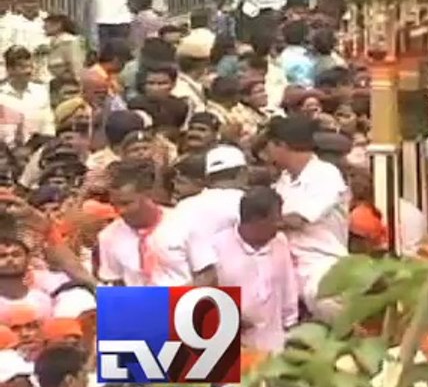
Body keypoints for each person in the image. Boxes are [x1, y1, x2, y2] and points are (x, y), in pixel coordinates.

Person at [267, 115, 348, 319]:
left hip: (321, 263)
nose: (266, 153)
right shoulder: (284, 179)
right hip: (285, 265)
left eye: (269, 146)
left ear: (281, 146)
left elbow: (298, 220)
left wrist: (260, 222)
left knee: (327, 304)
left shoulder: (325, 174)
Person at [98, 159, 217, 286]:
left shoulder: (186, 222)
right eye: (114, 204)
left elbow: (207, 275)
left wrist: (175, 299)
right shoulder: (108, 236)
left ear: (148, 195)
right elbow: (114, 282)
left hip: (186, 301)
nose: (120, 211)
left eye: (126, 203)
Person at [211, 186, 298, 352]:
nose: (280, 224)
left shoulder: (280, 242)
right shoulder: (217, 247)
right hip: (230, 349)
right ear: (257, 220)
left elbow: (289, 291)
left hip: (274, 348)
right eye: (275, 219)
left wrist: (291, 329)